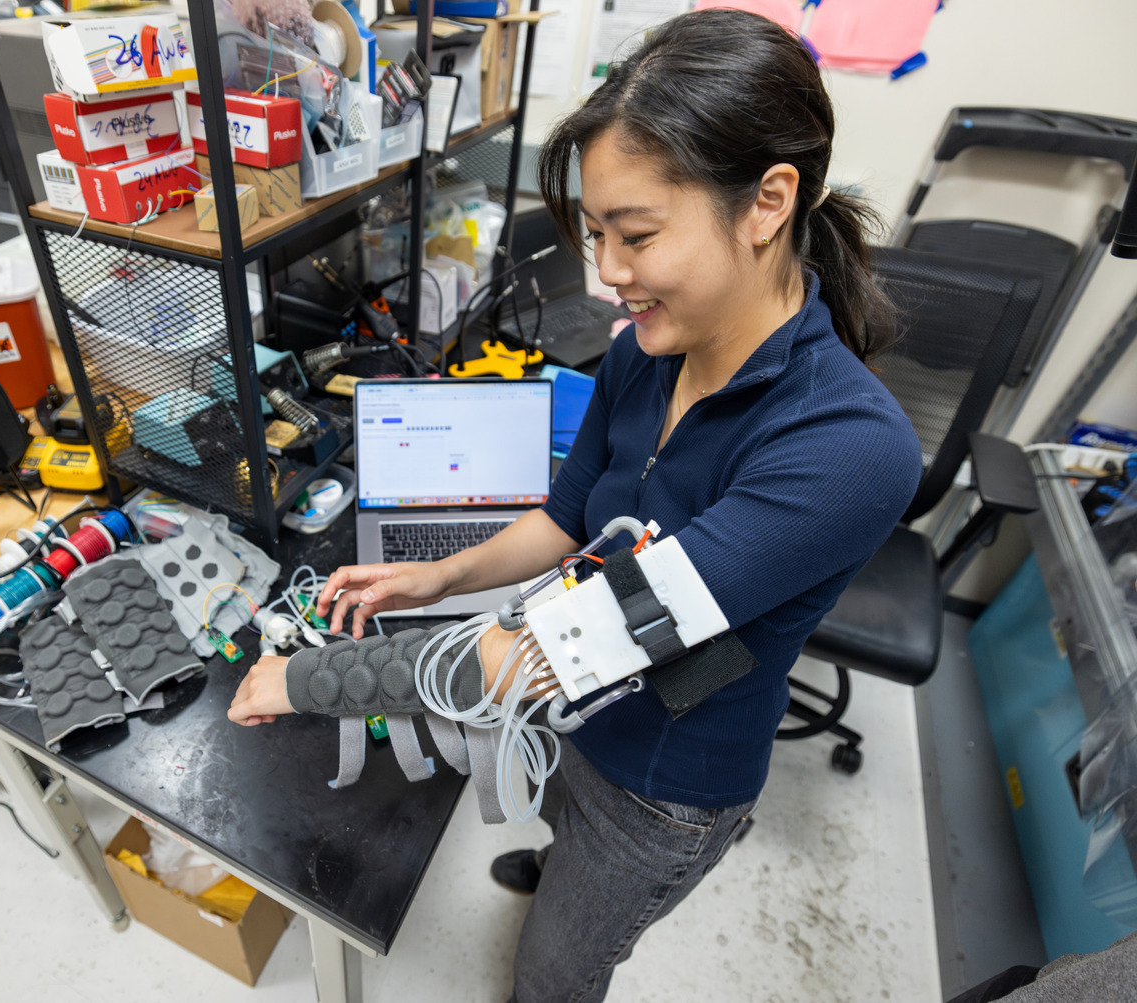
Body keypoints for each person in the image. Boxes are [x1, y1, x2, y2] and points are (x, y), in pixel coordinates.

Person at [228, 8, 924, 1000]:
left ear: (769, 200)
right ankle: (555, 856)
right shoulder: (648, 349)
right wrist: (439, 573)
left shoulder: (846, 449)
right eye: (596, 235)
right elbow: (567, 513)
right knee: (552, 830)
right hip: (577, 721)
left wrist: (299, 681)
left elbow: (545, 651)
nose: (609, 274)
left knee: (554, 971)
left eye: (636, 235)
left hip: (664, 785)